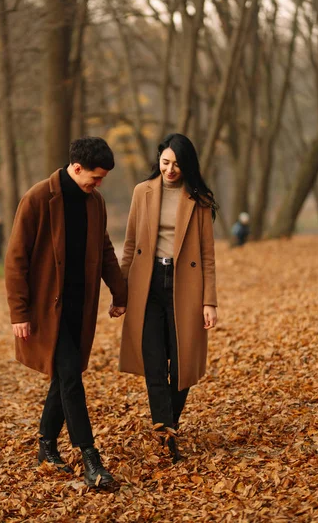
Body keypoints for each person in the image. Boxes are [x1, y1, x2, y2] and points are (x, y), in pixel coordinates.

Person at [4, 137, 127, 489]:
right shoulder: (38, 198)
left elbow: (104, 249)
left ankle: (46, 444)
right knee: (71, 377)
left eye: (102, 179)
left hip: (79, 309)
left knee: (64, 377)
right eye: (95, 177)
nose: (98, 184)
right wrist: (19, 313)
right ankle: (91, 459)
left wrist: (120, 292)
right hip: (46, 313)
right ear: (75, 168)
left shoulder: (95, 202)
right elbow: (16, 260)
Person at [119, 133, 218, 463]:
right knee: (153, 362)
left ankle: (169, 424)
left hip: (184, 286)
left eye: (176, 164)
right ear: (158, 160)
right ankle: (165, 435)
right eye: (165, 162)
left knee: (183, 362)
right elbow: (130, 246)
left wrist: (209, 301)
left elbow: (207, 256)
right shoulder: (141, 192)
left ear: (186, 164)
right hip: (147, 285)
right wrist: (120, 293)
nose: (170, 169)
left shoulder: (198, 200)